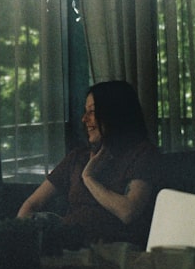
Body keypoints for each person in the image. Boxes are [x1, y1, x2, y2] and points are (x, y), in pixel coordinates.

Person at [17, 80, 160, 249]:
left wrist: (89, 177)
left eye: (92, 112)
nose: (84, 119)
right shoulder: (77, 157)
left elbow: (128, 212)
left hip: (114, 249)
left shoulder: (143, 154)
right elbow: (32, 204)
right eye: (85, 112)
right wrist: (21, 238)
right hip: (67, 244)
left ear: (115, 113)